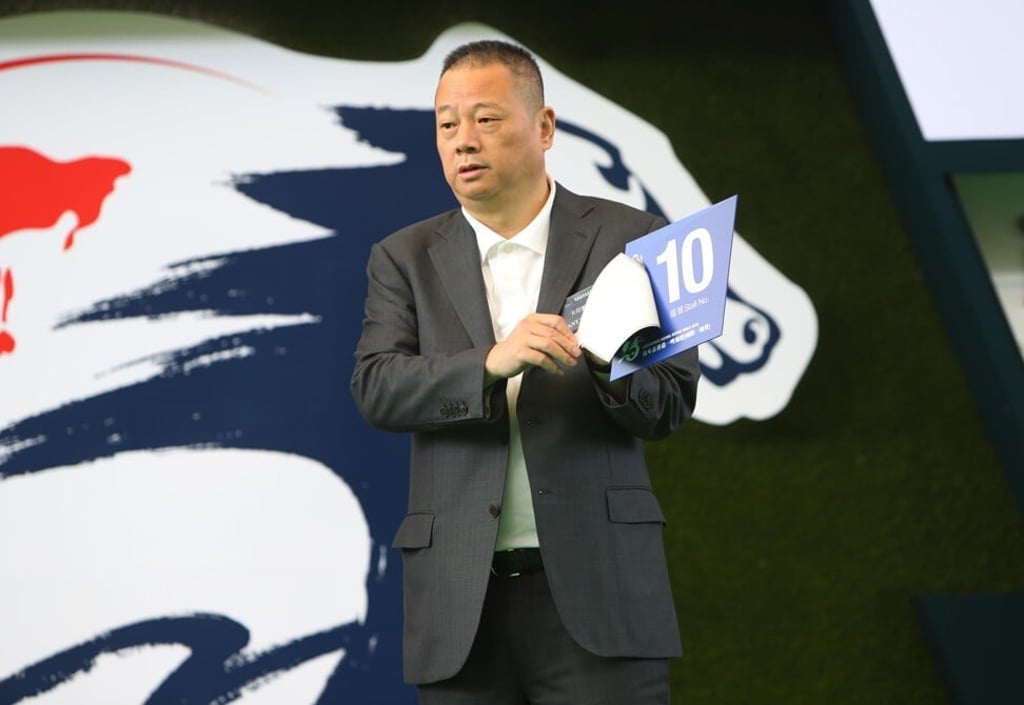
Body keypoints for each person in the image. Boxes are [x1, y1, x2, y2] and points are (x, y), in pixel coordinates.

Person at [350, 39, 700, 705]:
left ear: (544, 127)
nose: (462, 141)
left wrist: (606, 357)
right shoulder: (403, 257)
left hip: (602, 594)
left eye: (485, 119)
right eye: (447, 124)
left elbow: (668, 403)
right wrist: (488, 364)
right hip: (460, 604)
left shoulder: (634, 239)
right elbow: (377, 386)